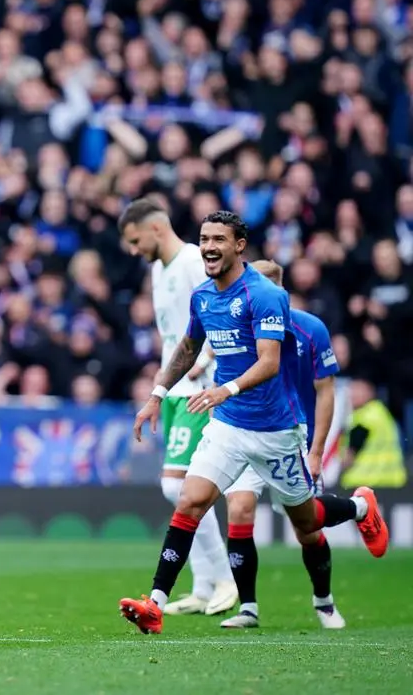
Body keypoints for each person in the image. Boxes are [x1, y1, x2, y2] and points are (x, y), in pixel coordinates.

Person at [119, 211, 389, 635]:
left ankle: (359, 507)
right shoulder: (204, 296)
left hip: (275, 431)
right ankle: (155, 603)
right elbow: (189, 348)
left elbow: (268, 362)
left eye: (219, 239)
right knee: (189, 499)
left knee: (307, 521)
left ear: (239, 244)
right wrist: (156, 394)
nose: (209, 246)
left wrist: (226, 389)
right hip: (227, 426)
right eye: (204, 238)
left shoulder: (265, 295)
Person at [118, 198, 239, 617]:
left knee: (178, 486)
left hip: (199, 388)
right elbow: (175, 335)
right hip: (174, 390)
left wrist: (206, 364)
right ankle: (204, 585)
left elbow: (213, 319)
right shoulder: (158, 269)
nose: (134, 250)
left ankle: (225, 578)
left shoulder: (192, 260)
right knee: (179, 487)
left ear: (154, 229)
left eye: (135, 241)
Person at [219, 260, 343, 629]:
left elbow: (325, 392)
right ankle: (248, 608)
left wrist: (317, 450)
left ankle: (324, 601)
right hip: (245, 431)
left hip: (291, 434)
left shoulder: (310, 329)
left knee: (306, 528)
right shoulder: (237, 326)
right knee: (239, 508)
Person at [339, 379, 407, 490]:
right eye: (352, 390)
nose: (352, 394)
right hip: (392, 481)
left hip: (363, 483)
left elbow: (348, 458)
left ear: (370, 392)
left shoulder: (363, 418)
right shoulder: (381, 412)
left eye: (358, 390)